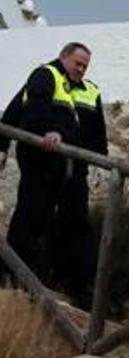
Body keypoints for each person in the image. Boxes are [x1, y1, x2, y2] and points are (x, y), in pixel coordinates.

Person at [0, 42, 106, 306]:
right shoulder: (45, 75)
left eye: (85, 66)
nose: (81, 69)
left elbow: (97, 131)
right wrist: (45, 131)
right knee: (32, 216)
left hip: (74, 167)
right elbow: (23, 111)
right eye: (77, 63)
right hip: (42, 160)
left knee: (77, 224)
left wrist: (101, 163)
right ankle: (11, 280)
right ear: (63, 57)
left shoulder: (90, 91)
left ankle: (77, 289)